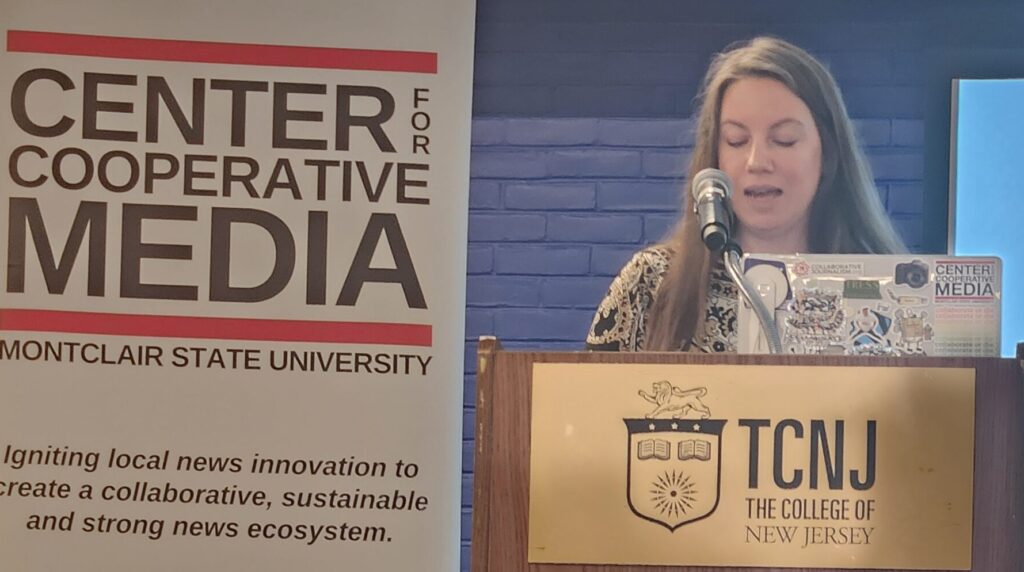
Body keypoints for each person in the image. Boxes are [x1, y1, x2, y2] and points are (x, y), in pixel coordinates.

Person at [586, 36, 905, 352]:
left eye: (784, 140)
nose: (757, 162)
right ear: (715, 156)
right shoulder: (651, 283)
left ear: (829, 152)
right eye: (736, 141)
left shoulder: (889, 290)